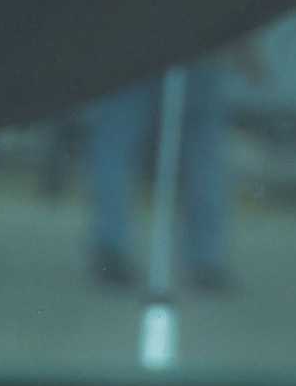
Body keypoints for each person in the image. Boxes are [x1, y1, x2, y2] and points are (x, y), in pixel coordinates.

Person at [80, 57, 238, 292]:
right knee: (202, 157)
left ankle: (110, 249)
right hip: (196, 52)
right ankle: (205, 260)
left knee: (115, 148)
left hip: (133, 51)